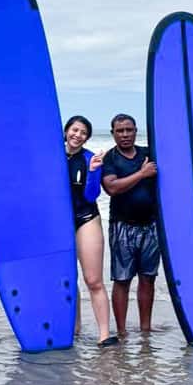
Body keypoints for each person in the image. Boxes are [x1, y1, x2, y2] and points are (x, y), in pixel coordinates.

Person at [101, 113, 159, 337]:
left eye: (129, 130)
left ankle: (145, 330)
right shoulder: (110, 159)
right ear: (113, 133)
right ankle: (122, 332)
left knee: (148, 278)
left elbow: (179, 157)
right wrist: (142, 174)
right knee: (122, 280)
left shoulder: (148, 153)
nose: (125, 134)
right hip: (122, 226)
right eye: (120, 131)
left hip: (151, 226)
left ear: (136, 131)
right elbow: (112, 188)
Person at [64, 115, 118, 347]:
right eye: (75, 130)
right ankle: (73, 329)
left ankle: (104, 334)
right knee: (67, 278)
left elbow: (91, 195)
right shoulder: (50, 154)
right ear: (66, 131)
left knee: (93, 280)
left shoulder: (89, 158)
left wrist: (94, 171)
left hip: (85, 218)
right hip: (58, 223)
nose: (78, 135)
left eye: (83, 133)